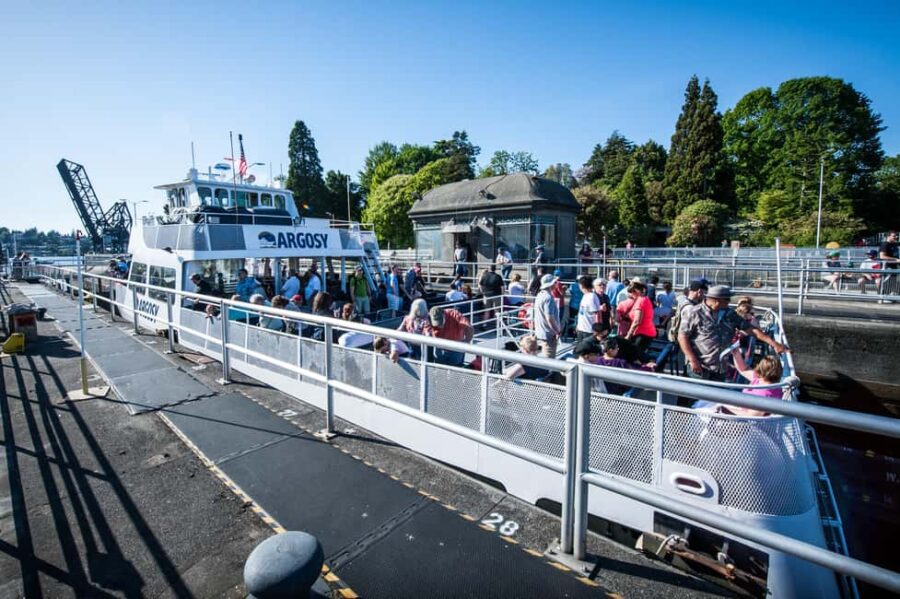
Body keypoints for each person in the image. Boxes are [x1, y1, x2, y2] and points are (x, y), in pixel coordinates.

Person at [678, 285, 787, 382]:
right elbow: (682, 336)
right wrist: (693, 360)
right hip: (699, 368)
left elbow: (751, 329)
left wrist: (774, 344)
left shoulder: (729, 314)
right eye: (727, 299)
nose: (729, 302)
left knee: (716, 397)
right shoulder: (694, 313)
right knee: (697, 397)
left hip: (720, 369)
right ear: (717, 300)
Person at [623, 281, 656, 357]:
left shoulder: (640, 301)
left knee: (635, 356)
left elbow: (637, 321)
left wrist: (629, 334)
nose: (630, 295)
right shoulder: (644, 299)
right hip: (646, 332)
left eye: (631, 292)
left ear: (636, 291)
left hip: (642, 333)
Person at [532, 274, 561, 358]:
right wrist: (557, 331)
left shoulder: (539, 295)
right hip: (548, 334)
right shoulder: (548, 298)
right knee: (549, 360)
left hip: (540, 332)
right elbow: (549, 318)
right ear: (551, 284)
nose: (556, 283)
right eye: (555, 282)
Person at [575, 276, 601, 340]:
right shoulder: (585, 295)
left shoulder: (591, 297)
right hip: (582, 329)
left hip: (589, 331)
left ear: (582, 285)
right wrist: (578, 325)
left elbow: (597, 314)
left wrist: (597, 330)